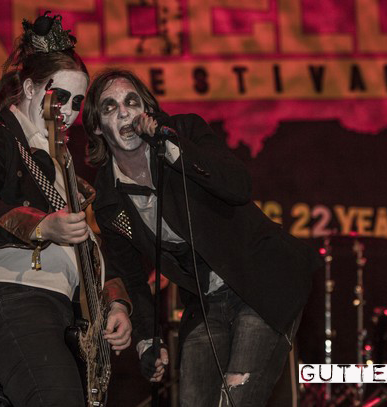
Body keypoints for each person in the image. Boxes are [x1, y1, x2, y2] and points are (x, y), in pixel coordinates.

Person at [82, 68, 318, 406]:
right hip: (205, 303)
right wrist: (148, 340)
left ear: (147, 111)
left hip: (260, 282)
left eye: (131, 102)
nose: (124, 113)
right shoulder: (108, 197)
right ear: (96, 126)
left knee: (237, 398)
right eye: (110, 107)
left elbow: (238, 186)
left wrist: (171, 147)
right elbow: (130, 274)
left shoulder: (184, 133)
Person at [0, 13, 132, 407]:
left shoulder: (63, 166)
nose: (69, 110)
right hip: (8, 291)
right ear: (30, 88)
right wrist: (43, 226)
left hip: (57, 306)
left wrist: (114, 301)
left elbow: (91, 245)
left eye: (78, 102)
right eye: (60, 96)